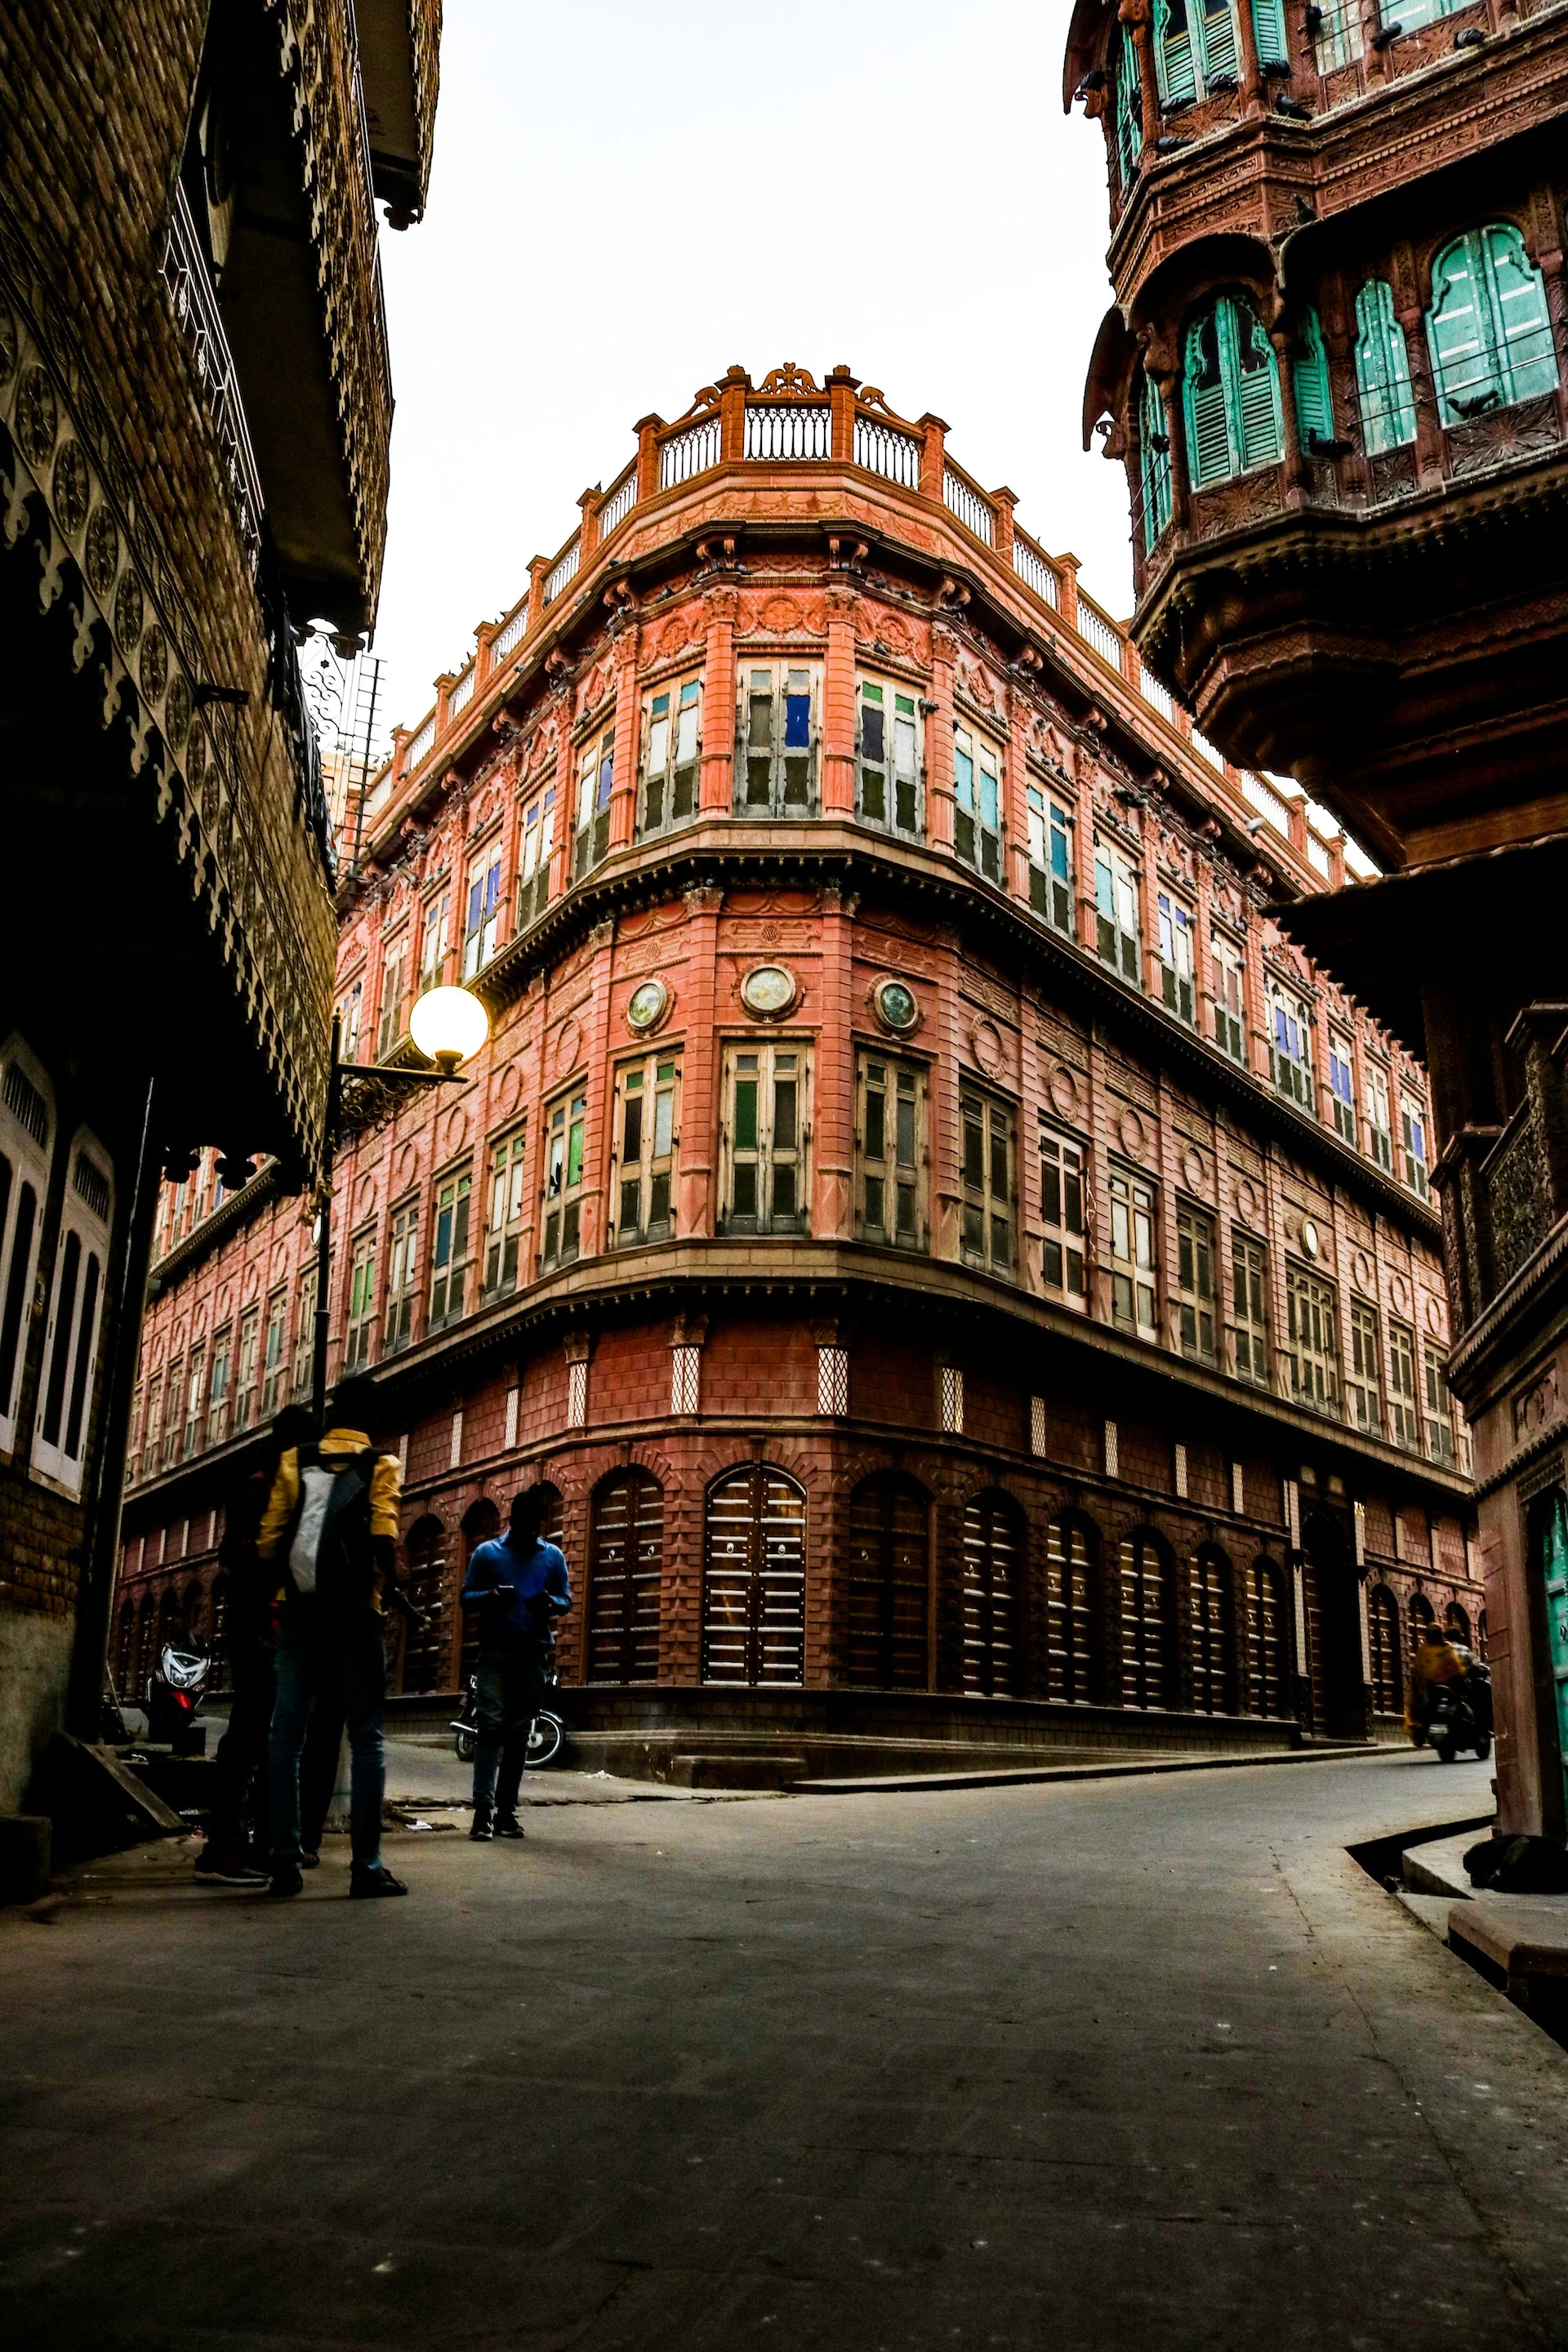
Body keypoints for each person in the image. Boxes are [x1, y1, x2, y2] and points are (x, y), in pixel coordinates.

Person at [257, 1373, 410, 1898]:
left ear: (332, 1412)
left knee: (286, 1736)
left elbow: (271, 1542)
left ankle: (284, 1861)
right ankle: (365, 1868)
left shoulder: (293, 1461)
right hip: (355, 1616)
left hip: (299, 1615)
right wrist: (398, 1588)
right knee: (367, 1737)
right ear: (372, 1418)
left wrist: (279, 1600)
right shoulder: (381, 1464)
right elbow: (383, 1537)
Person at [196, 1403, 319, 1886]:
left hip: (269, 1628)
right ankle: (225, 1849)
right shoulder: (260, 1489)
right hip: (260, 1628)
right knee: (252, 1738)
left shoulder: (274, 1487)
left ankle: (254, 1844)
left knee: (264, 1740)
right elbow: (236, 1552)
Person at [461, 1487, 571, 1841]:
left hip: (533, 1655)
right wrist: (491, 1596)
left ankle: (506, 1812)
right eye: (526, 1525)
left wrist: (549, 1603)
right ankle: (482, 1813)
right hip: (494, 1653)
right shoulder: (487, 1553)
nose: (532, 1532)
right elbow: (466, 1597)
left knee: (519, 1734)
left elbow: (565, 1599)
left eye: (537, 1526)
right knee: (490, 1728)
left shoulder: (552, 1557)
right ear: (513, 1521)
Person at [1405, 1620, 1469, 1746]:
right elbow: (1457, 1669)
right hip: (1440, 1689)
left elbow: (1418, 1671)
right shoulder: (1444, 1648)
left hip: (1436, 1689)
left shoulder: (1428, 1650)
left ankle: (1421, 1733)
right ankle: (1420, 1732)